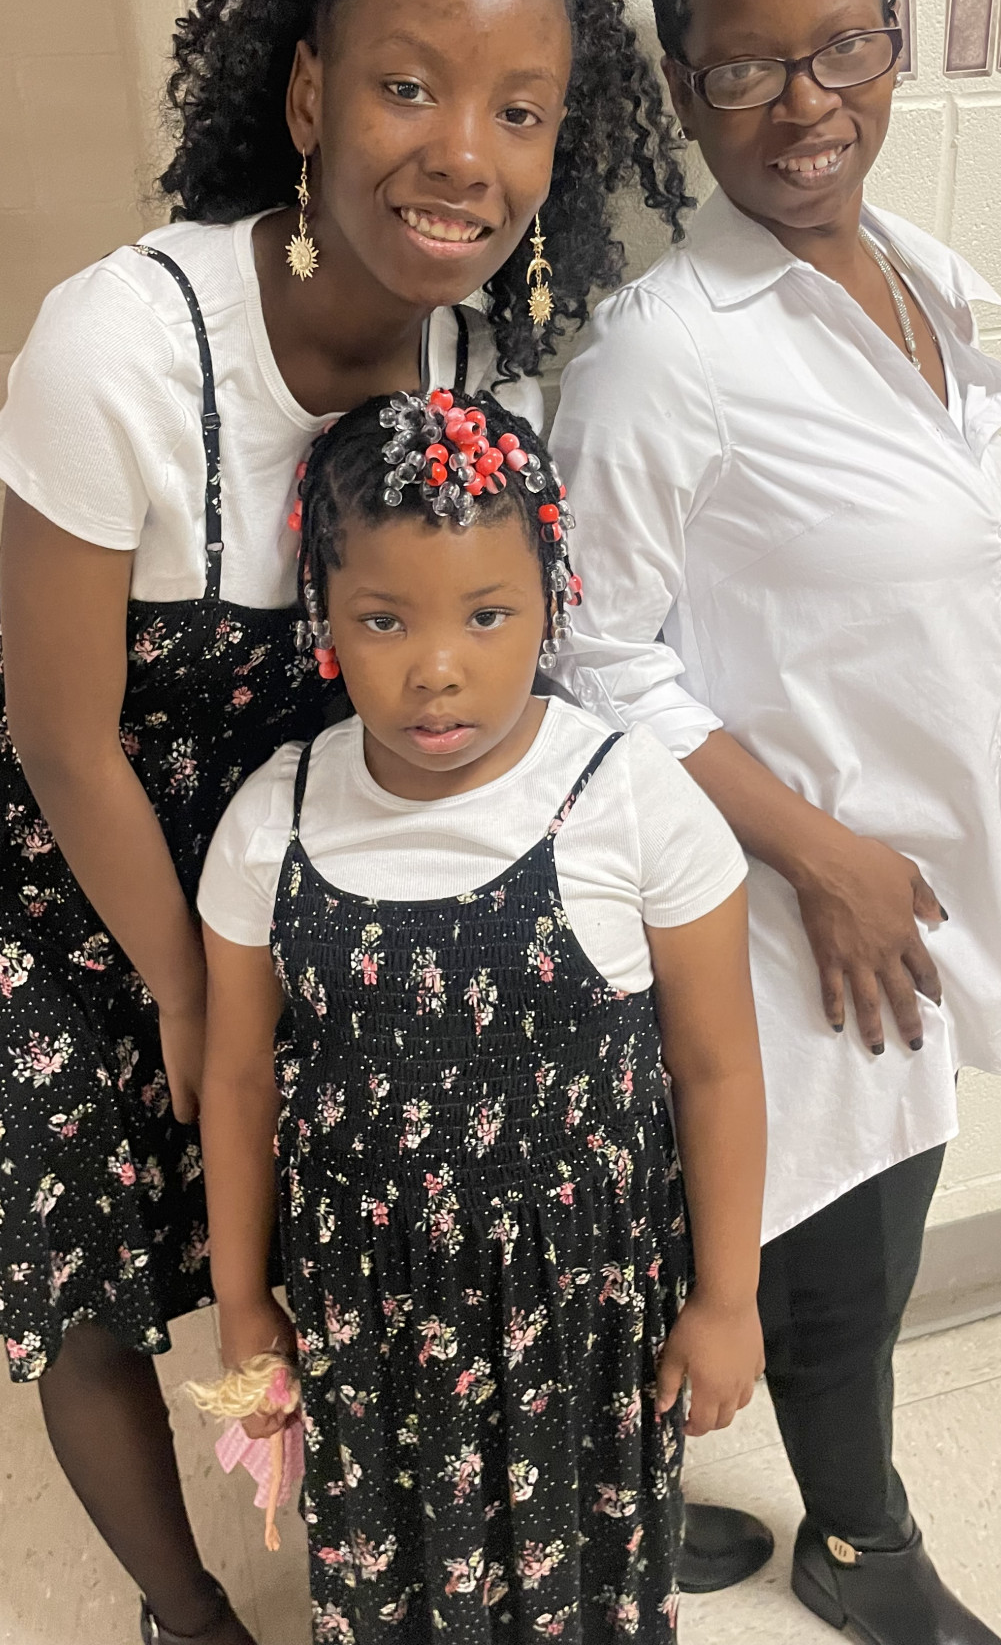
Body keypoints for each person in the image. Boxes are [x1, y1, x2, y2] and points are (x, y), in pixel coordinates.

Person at [0, 0, 687, 1645]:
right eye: (409, 86)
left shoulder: (478, 377)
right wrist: (189, 987)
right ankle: (186, 1609)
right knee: (90, 1264)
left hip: (276, 843)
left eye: (520, 110)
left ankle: (424, 1505)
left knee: (321, 1189)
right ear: (311, 95)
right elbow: (59, 732)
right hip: (47, 851)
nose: (464, 152)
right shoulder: (122, 344)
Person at [550, 0, 1001, 1645]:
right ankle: (861, 1542)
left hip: (918, 861)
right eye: (745, 67)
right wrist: (819, 856)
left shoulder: (922, 279)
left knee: (859, 1215)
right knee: (828, 1250)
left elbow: (963, 534)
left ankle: (637, 1492)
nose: (804, 104)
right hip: (782, 898)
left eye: (841, 47)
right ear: (681, 79)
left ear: (897, 30)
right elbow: (590, 660)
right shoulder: (666, 356)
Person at [193, 386, 768, 1643]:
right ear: (325, 616)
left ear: (552, 603)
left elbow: (718, 1065)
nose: (437, 666)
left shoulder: (632, 799)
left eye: (487, 614)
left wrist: (729, 1299)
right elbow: (236, 1076)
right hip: (368, 1305)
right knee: (395, 1576)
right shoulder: (274, 816)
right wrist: (243, 1297)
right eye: (384, 618)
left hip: (584, 1301)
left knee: (585, 1582)